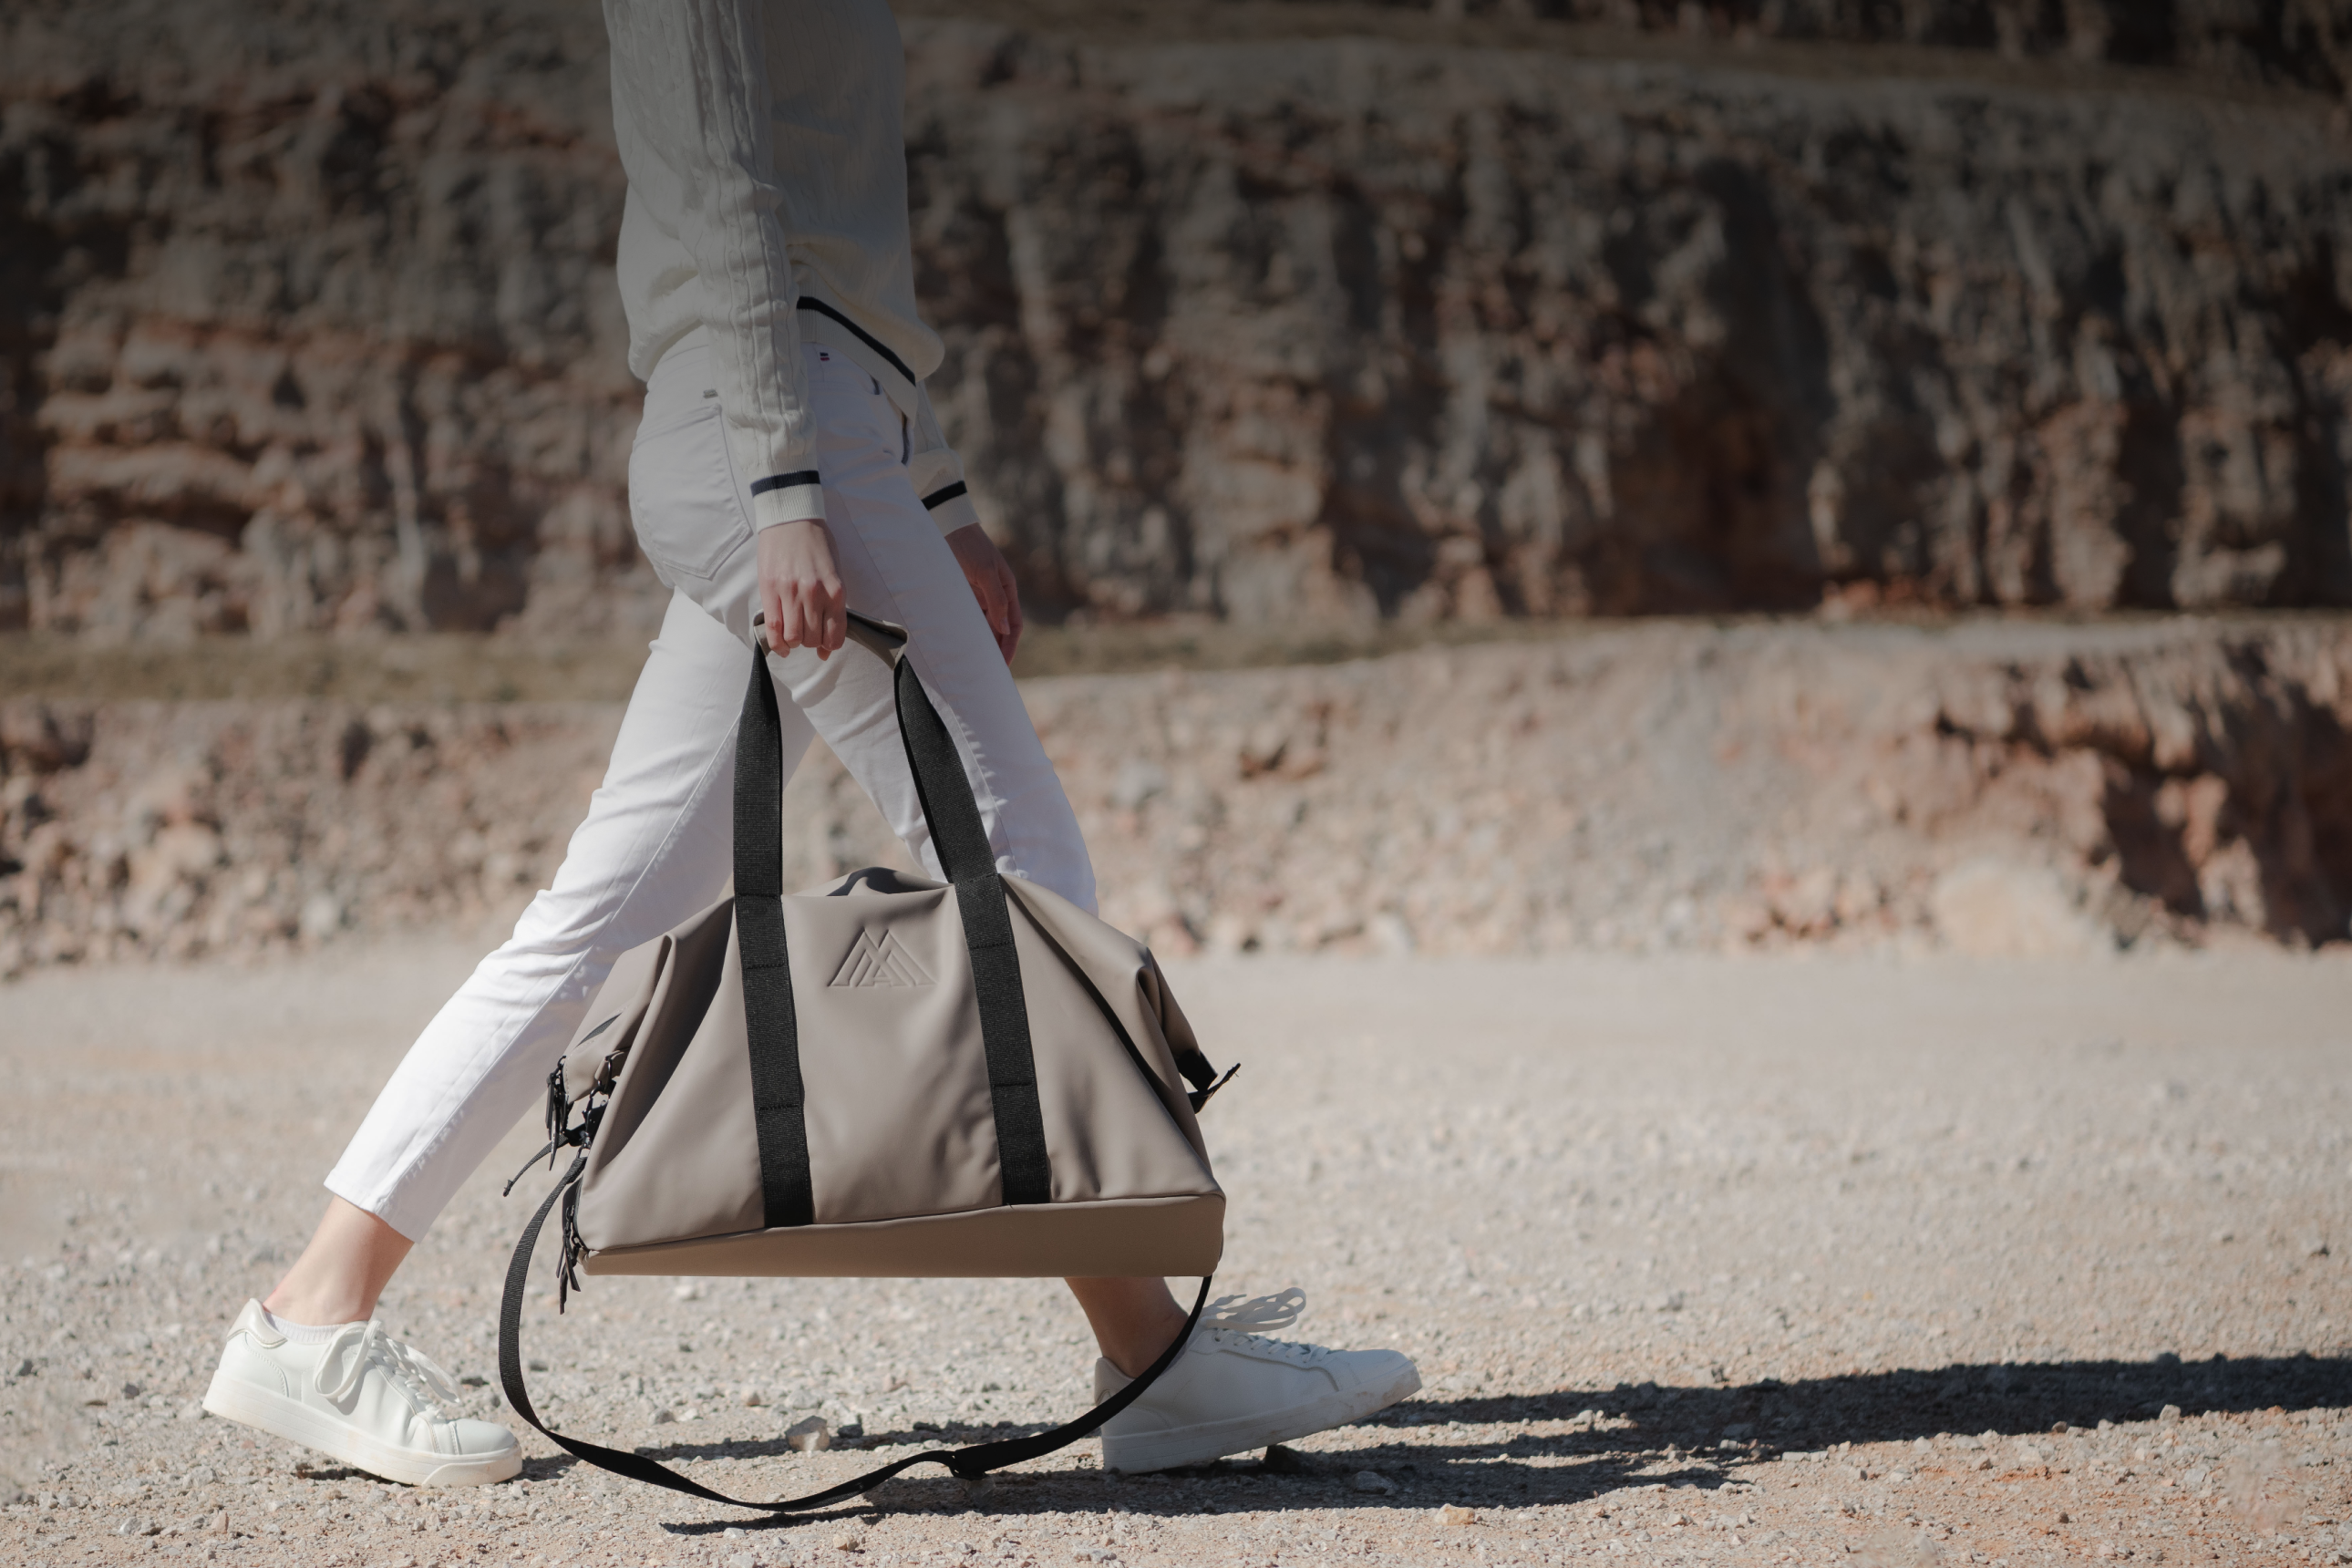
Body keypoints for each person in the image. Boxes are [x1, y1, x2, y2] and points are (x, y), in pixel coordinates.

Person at [199, 0, 1418, 1488]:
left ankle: (313, 1312)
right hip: (773, 424)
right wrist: (788, 487)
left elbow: (835, 237)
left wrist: (936, 490)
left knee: (609, 913)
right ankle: (1154, 1360)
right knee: (1018, 868)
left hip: (818, 420)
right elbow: (728, 181)